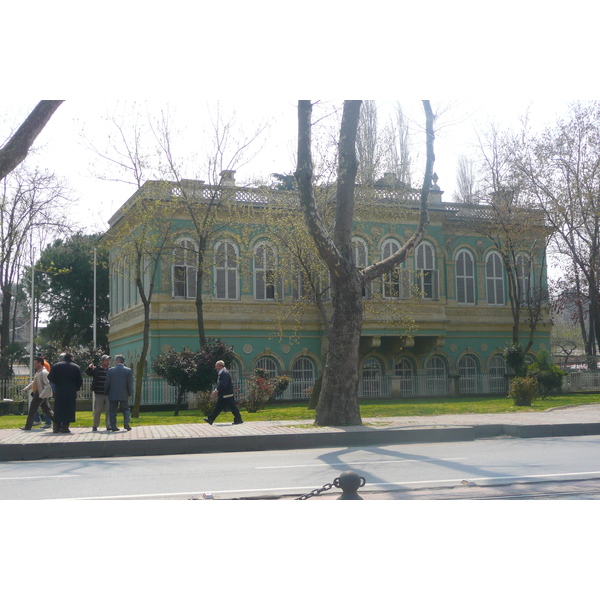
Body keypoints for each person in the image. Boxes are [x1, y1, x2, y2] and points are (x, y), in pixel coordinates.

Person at [48, 352, 83, 434]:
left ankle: (56, 427)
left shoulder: (57, 366)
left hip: (60, 390)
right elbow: (80, 381)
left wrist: (57, 383)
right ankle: (65, 427)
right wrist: (75, 388)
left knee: (58, 408)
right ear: (71, 358)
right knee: (69, 409)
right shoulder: (76, 367)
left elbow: (50, 377)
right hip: (71, 391)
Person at [203, 360, 243, 425]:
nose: (216, 367)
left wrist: (216, 390)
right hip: (224, 394)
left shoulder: (225, 373)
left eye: (217, 366)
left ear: (220, 366)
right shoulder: (222, 373)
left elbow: (223, 384)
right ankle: (211, 419)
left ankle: (238, 419)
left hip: (227, 394)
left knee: (232, 407)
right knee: (218, 407)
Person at [20, 357, 55, 431]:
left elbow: (47, 385)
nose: (34, 365)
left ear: (40, 363)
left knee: (32, 409)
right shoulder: (39, 372)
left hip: (40, 393)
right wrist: (26, 389)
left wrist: (42, 395)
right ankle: (59, 423)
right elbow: (34, 383)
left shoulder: (44, 373)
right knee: (47, 410)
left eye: (35, 363)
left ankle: (28, 426)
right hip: (39, 393)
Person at [104, 354, 133, 432]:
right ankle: (126, 423)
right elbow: (129, 384)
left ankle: (113, 426)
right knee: (126, 409)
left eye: (115, 360)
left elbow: (107, 383)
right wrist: (129, 393)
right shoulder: (128, 370)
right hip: (124, 393)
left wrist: (106, 392)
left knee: (112, 410)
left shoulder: (110, 370)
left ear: (118, 361)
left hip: (112, 393)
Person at [86, 355, 111, 432]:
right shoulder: (97, 369)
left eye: (108, 360)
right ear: (102, 361)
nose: (108, 362)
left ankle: (108, 425)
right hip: (99, 393)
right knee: (98, 410)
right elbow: (88, 373)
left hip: (109, 393)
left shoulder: (111, 370)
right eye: (106, 360)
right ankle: (95, 425)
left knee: (109, 410)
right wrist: (90, 367)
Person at [32, 354, 53, 428]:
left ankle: (48, 422)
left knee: (45, 408)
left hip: (42, 390)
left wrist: (42, 394)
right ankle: (41, 421)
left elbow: (44, 380)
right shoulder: (40, 369)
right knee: (45, 408)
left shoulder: (44, 367)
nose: (34, 364)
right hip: (39, 390)